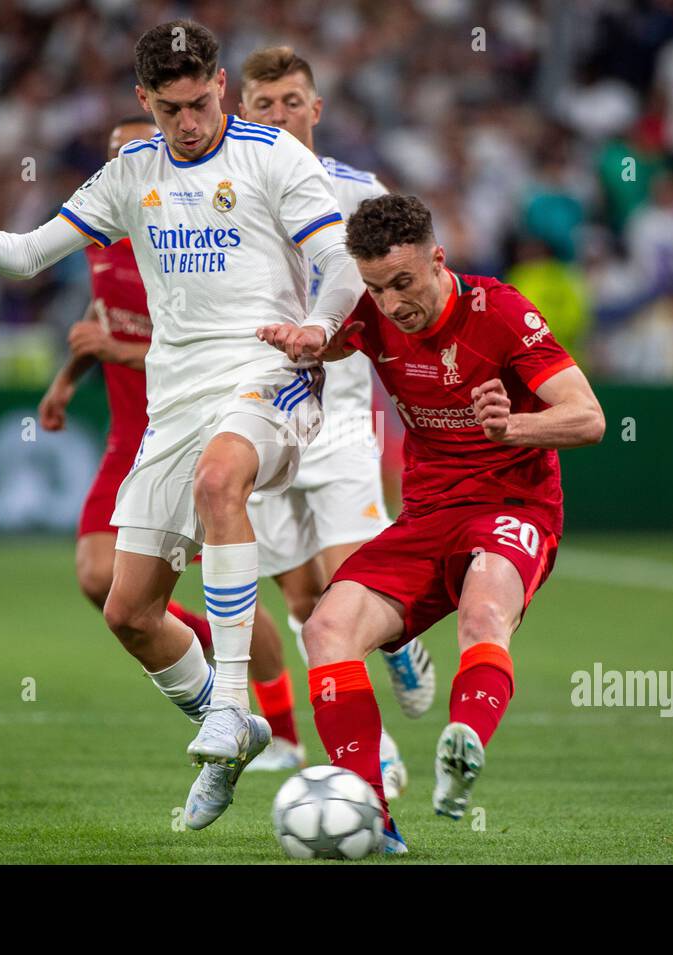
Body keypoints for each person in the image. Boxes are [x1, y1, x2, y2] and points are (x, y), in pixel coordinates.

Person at [0, 19, 364, 830]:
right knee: (129, 613)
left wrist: (318, 326)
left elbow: (342, 265)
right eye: (171, 107)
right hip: (175, 399)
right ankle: (239, 732)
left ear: (220, 82)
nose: (190, 120)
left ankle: (229, 708)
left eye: (200, 99)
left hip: (274, 374)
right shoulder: (129, 175)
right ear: (143, 99)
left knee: (223, 480)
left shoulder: (271, 154)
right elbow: (26, 255)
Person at [260, 194, 605, 853]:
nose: (392, 304)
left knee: (484, 614)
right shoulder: (371, 313)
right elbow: (333, 341)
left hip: (512, 504)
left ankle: (465, 738)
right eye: (375, 288)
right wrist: (307, 340)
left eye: (403, 283)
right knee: (327, 627)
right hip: (428, 516)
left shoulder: (499, 311)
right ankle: (373, 817)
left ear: (437, 261)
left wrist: (514, 427)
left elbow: (588, 418)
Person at [236, 46, 435, 791]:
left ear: (315, 109)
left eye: (292, 101)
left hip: (339, 410)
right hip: (257, 412)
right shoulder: (228, 192)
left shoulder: (358, 193)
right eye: (264, 104)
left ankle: (374, 745)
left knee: (352, 578)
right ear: (243, 112)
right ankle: (378, 687)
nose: (280, 114)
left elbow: (398, 289)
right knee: (300, 598)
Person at [37, 117, 212, 664]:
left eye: (136, 153)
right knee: (97, 576)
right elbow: (103, 310)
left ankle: (270, 713)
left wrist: (114, 350)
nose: (124, 165)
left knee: (236, 587)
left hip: (191, 436)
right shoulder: (101, 233)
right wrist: (67, 379)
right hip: (128, 436)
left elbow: (206, 352)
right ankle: (208, 648)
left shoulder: (190, 243)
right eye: (115, 155)